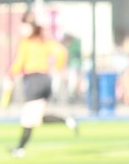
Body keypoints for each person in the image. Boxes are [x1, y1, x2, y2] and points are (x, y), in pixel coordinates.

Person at [8, 19, 77, 156]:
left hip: (34, 80)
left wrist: (10, 75)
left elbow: (19, 62)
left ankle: (20, 149)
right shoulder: (44, 42)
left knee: (29, 117)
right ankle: (67, 120)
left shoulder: (26, 43)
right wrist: (57, 69)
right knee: (36, 117)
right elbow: (62, 53)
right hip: (45, 80)